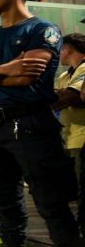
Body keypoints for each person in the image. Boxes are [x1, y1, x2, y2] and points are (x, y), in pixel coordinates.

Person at [0, 0, 81, 247]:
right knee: (4, 203)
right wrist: (6, 68)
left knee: (50, 203)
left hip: (31, 124)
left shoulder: (42, 30)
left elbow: (26, 76)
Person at [55, 33, 85, 236]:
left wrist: (63, 94)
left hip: (82, 138)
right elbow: (56, 100)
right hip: (67, 137)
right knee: (70, 187)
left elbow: (72, 97)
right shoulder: (65, 76)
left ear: (68, 49)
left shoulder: (84, 69)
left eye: (60, 48)